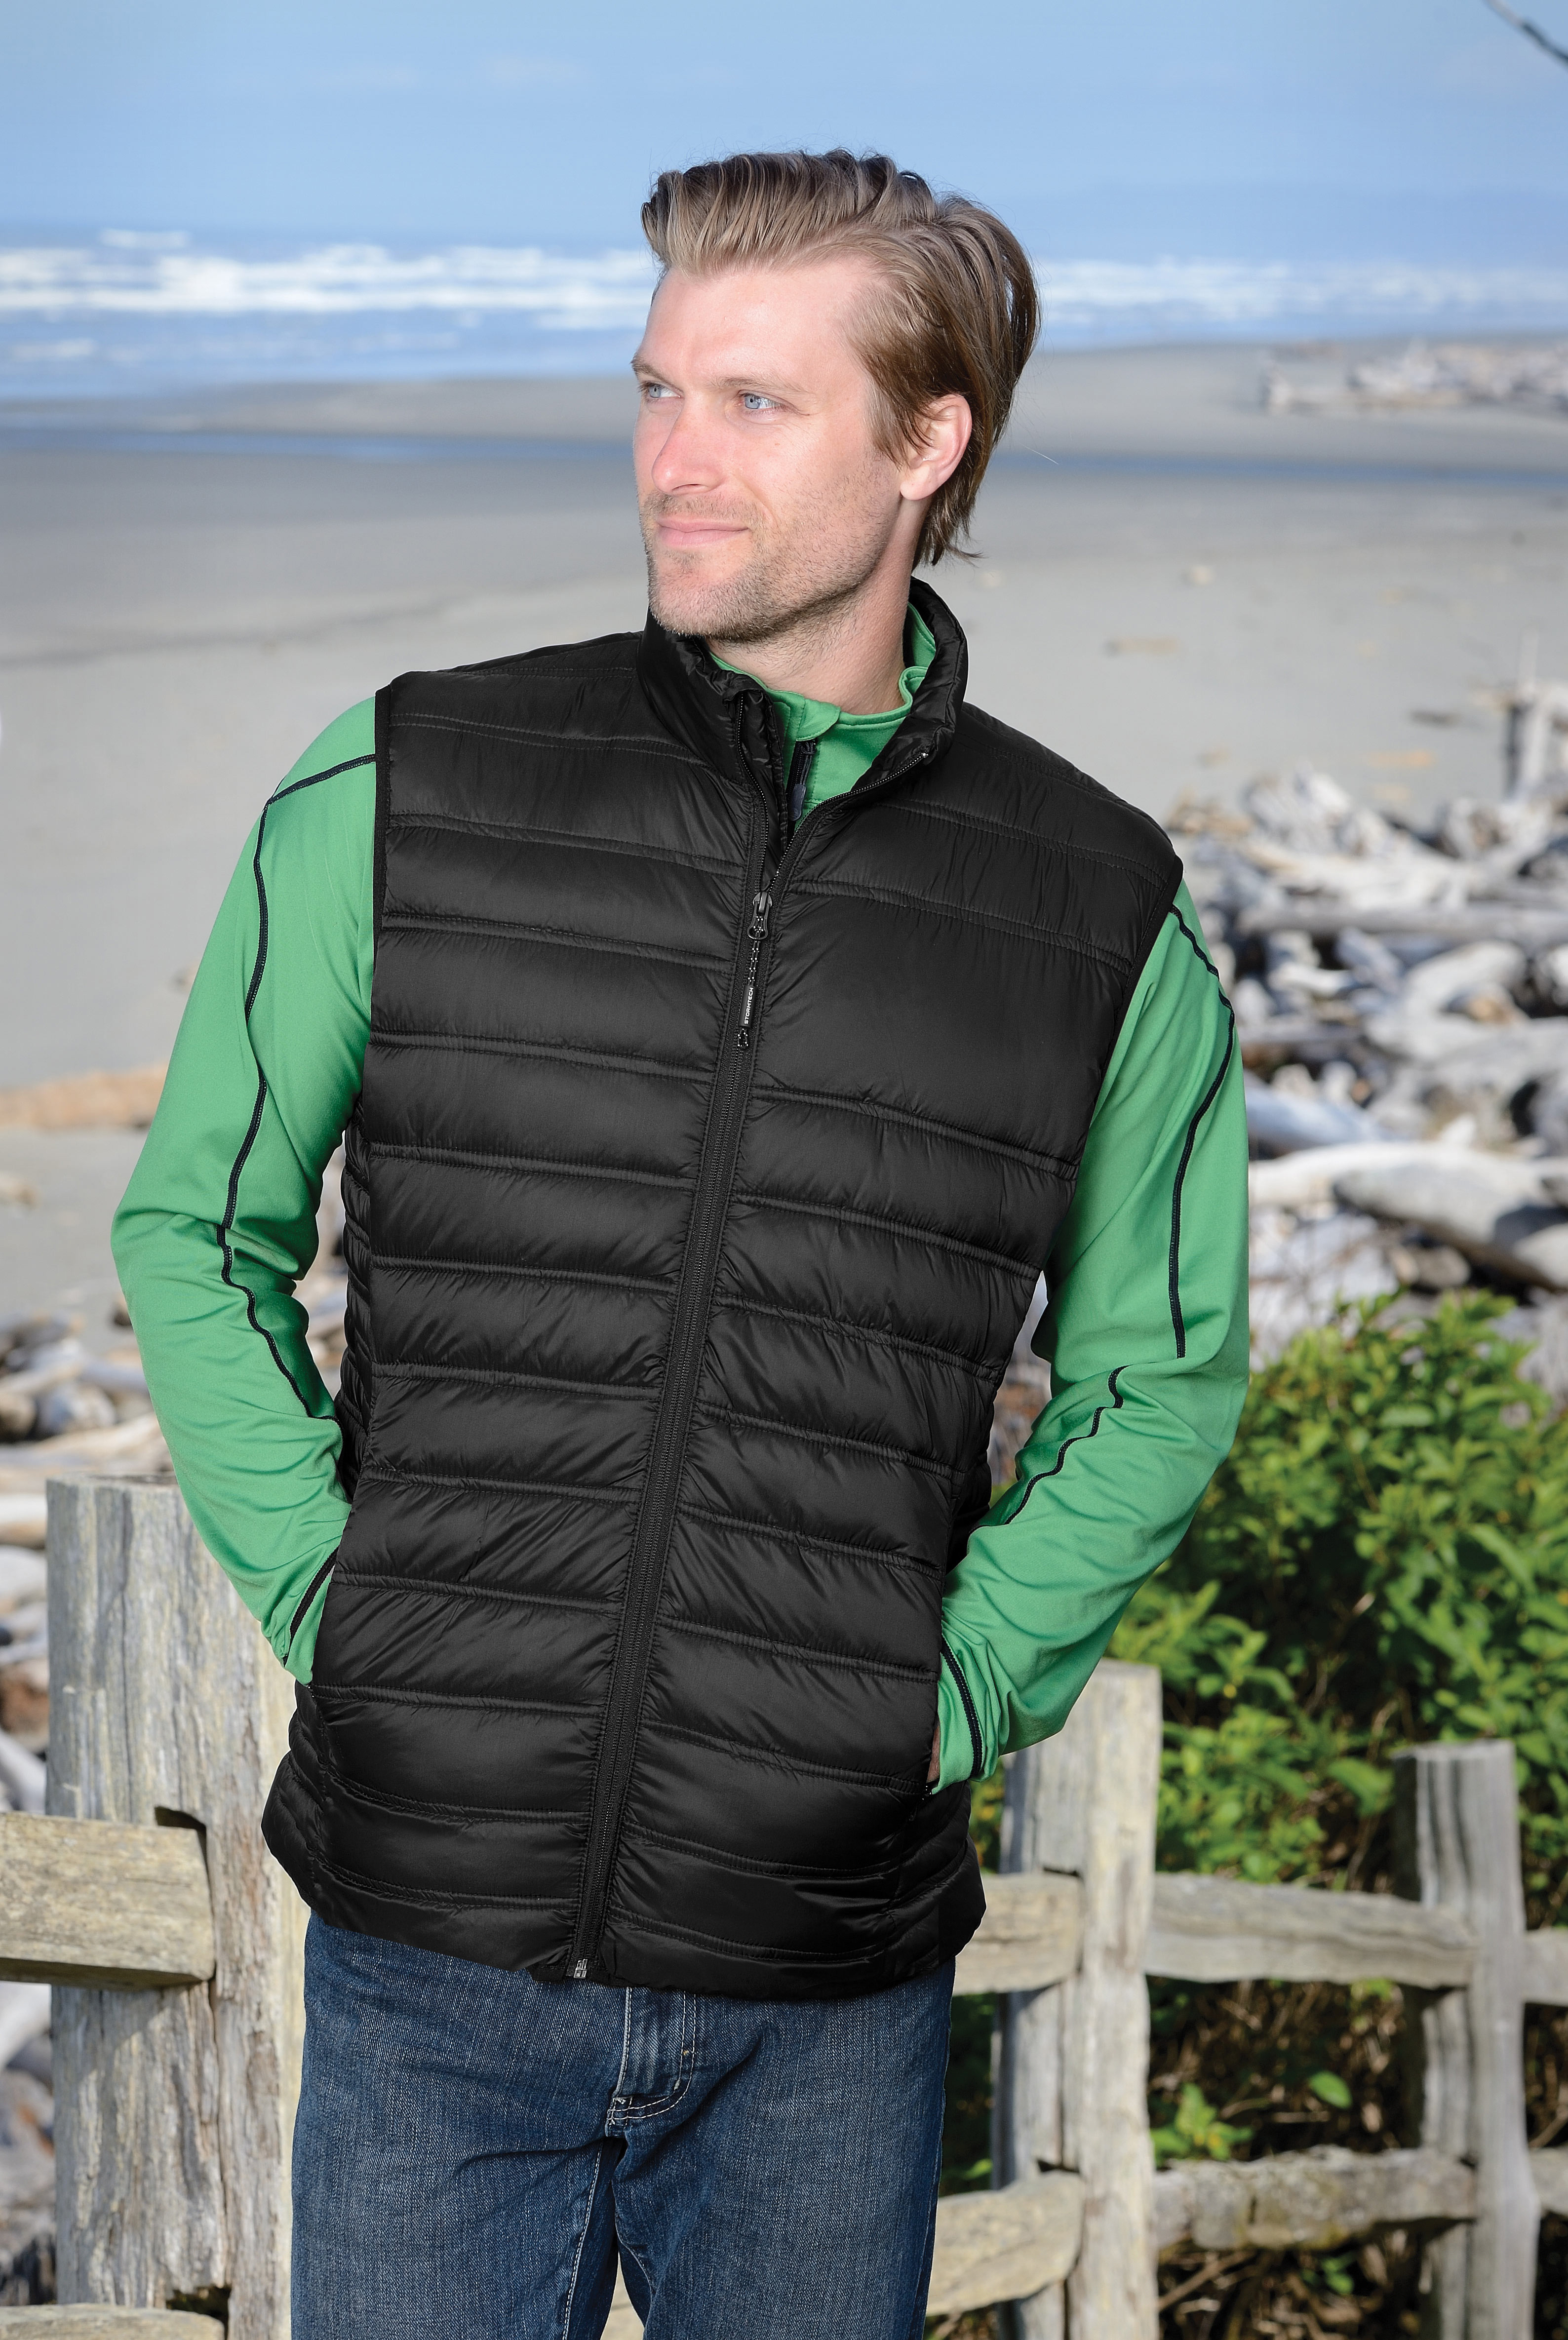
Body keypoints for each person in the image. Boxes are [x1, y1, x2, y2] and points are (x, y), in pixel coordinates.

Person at [113, 150, 1248, 2340]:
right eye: (654, 390)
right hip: (431, 1952)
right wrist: (349, 1606)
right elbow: (196, 1230)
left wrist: (942, 1695)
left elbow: (1158, 1374)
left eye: (753, 403)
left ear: (927, 442)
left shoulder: (1096, 910)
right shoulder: (402, 783)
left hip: (824, 1984)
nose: (672, 461)